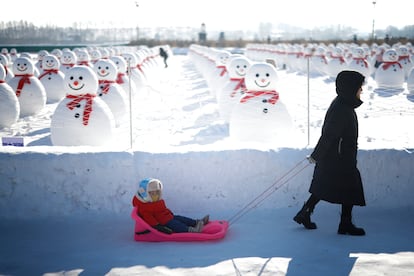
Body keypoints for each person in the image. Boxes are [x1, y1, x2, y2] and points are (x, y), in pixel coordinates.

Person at [293, 70, 366, 236]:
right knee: (350, 188)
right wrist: (316, 156)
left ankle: (304, 213)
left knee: (323, 186)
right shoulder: (342, 109)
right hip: (339, 159)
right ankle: (345, 224)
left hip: (337, 158)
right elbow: (329, 135)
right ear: (350, 88)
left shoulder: (343, 105)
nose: (361, 90)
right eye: (359, 87)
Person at [132, 178, 209, 234]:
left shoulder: (155, 200)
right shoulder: (145, 206)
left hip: (167, 216)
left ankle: (197, 222)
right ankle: (191, 230)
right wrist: (159, 226)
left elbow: (162, 209)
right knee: (177, 225)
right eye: (152, 193)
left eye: (157, 192)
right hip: (163, 222)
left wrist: (169, 213)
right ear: (145, 194)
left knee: (181, 218)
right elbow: (149, 218)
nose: (155, 195)